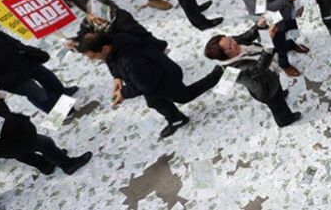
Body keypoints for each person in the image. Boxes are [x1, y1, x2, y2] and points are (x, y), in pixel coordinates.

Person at [77, 31, 223, 138]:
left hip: (164, 78)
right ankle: (177, 119)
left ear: (105, 48)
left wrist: (123, 93)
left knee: (184, 96)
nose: (93, 60)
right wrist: (117, 77)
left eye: (93, 56)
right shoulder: (116, 41)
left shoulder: (130, 60)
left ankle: (217, 75)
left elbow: (144, 85)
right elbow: (111, 61)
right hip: (154, 74)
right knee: (154, 102)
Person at [204, 19, 302, 126]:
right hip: (265, 89)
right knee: (277, 107)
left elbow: (247, 36)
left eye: (230, 39)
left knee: (278, 92)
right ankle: (284, 120)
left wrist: (259, 26)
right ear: (224, 55)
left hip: (270, 78)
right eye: (230, 45)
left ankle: (280, 95)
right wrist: (268, 43)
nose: (235, 42)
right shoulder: (235, 68)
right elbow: (259, 67)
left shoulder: (233, 44)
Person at [0, 84, 92, 175]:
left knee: (21, 155)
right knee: (45, 143)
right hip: (10, 139)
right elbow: (0, 126)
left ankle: (45, 165)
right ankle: (68, 164)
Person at [239, 0, 310, 77]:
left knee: (293, 30)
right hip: (272, 24)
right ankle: (284, 64)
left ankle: (292, 44)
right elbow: (265, 10)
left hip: (288, 12)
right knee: (279, 45)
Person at [0, 27, 77, 113]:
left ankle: (61, 93)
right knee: (37, 94)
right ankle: (58, 112)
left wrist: (27, 51)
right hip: (10, 79)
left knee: (48, 77)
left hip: (23, 61)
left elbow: (12, 42)